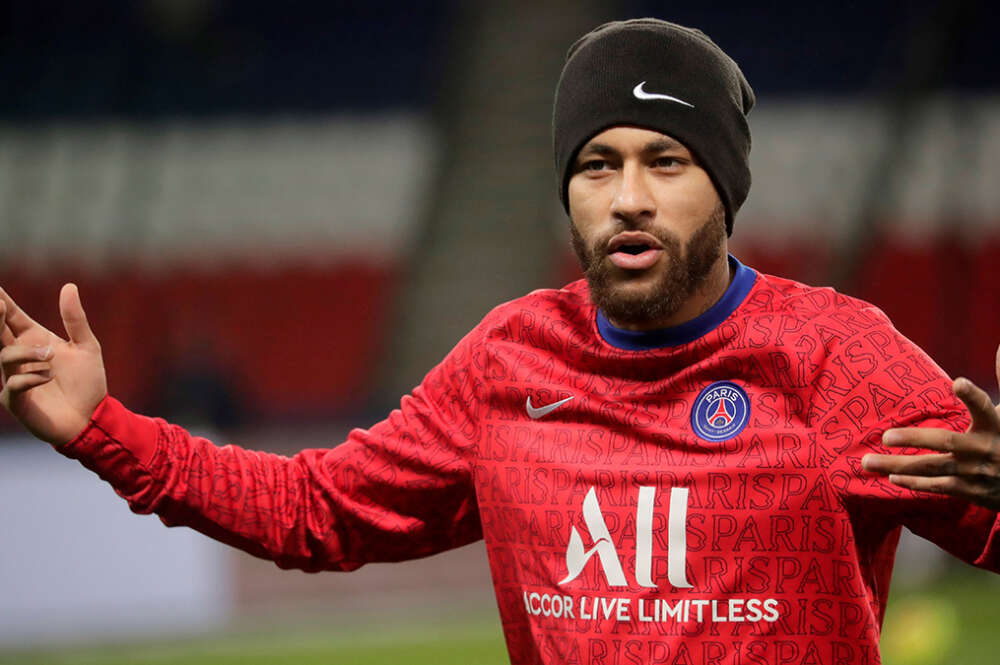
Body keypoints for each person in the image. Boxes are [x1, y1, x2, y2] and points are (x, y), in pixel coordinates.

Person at [2, 18, 999, 665]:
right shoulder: (509, 361)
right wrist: (101, 427)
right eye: (597, 164)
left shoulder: (836, 357)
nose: (629, 198)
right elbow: (314, 510)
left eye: (667, 161)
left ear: (726, 191)